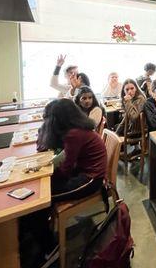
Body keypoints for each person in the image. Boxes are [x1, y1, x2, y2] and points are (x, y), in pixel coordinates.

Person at [23, 99, 106, 267]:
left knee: (39, 197)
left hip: (90, 179)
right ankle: (38, 235)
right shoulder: (77, 130)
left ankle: (49, 247)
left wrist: (45, 174)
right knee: (40, 191)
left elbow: (65, 170)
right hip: (82, 173)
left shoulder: (74, 134)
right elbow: (51, 153)